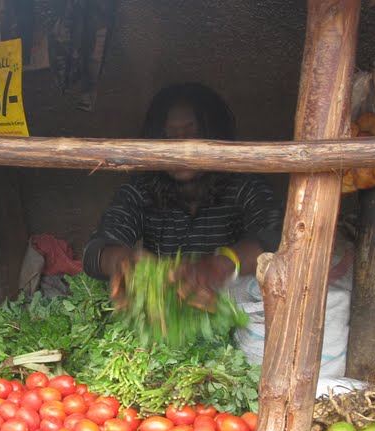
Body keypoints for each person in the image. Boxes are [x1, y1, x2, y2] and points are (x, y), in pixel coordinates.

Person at [83, 83, 284, 302]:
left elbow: (279, 240)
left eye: (194, 134)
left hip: (232, 307)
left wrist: (223, 264)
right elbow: (94, 252)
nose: (180, 149)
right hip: (166, 305)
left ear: (215, 136)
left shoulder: (244, 185)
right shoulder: (141, 189)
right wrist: (124, 261)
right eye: (169, 138)